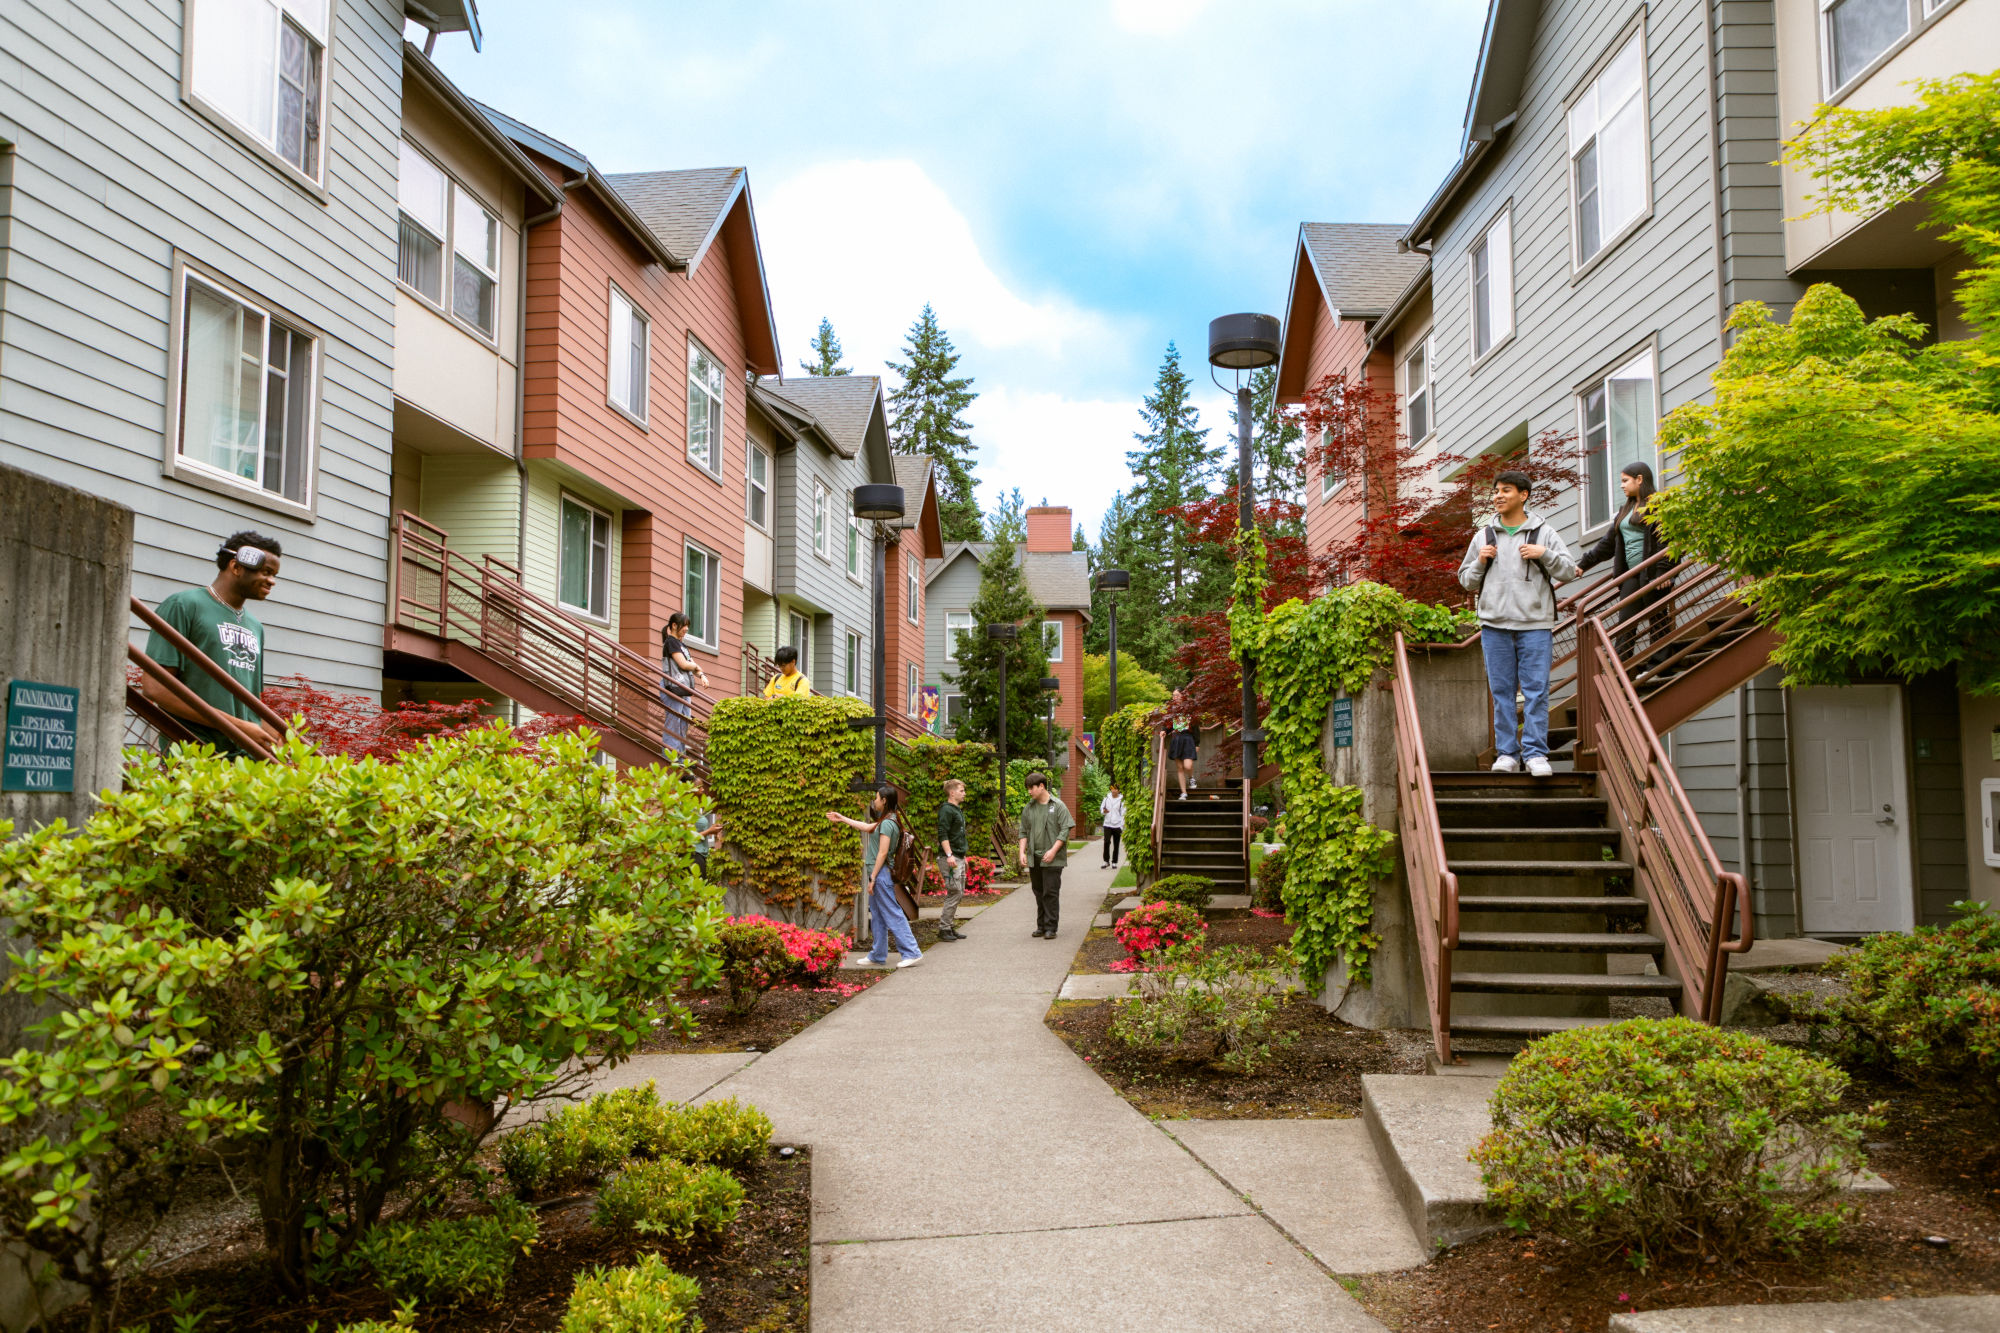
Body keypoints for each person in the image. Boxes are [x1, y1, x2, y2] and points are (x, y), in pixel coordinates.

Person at [1457, 470, 1579, 779]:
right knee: (1502, 693)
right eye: (1496, 491)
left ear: (1523, 495)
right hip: (1494, 625)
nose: (1497, 495)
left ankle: (1536, 754)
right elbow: (1465, 580)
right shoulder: (1483, 536)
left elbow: (1568, 571)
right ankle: (1507, 754)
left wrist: (1544, 554)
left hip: (1535, 625)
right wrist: (1480, 562)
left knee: (1537, 691)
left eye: (1505, 490)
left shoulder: (1543, 532)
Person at [141, 531, 287, 753]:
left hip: (244, 761)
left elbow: (251, 705)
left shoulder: (255, 626)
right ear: (236, 567)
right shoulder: (185, 606)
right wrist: (238, 726)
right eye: (266, 572)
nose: (272, 581)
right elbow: (155, 689)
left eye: (275, 574)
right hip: (194, 754)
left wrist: (280, 733)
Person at [1577, 461, 1672, 668]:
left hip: (1654, 573)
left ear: (1640, 479)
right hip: (1631, 574)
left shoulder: (1658, 505)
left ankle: (1660, 666)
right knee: (1626, 622)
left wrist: (1664, 573)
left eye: (1625, 480)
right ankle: (1621, 668)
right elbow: (1607, 545)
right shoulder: (1624, 510)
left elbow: (1667, 540)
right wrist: (1583, 565)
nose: (1621, 485)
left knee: (1657, 618)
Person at [827, 787, 923, 969]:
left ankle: (911, 952)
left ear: (884, 800)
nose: (874, 801)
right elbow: (865, 827)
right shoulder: (886, 821)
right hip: (879, 875)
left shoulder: (888, 823)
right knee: (878, 916)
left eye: (877, 798)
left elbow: (883, 852)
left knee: (893, 913)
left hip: (880, 875)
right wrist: (842, 818)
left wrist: (872, 878)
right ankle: (878, 955)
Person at [1018, 771, 1073, 939]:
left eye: (1031, 788)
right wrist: (1022, 852)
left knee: (1050, 893)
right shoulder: (1029, 807)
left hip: (1053, 859)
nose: (1029, 792)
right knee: (1038, 892)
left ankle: (1051, 928)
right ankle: (1041, 926)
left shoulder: (1058, 806)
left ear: (1041, 786)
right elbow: (1023, 831)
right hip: (1035, 858)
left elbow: (1065, 830)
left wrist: (1053, 851)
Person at [660, 613, 709, 755]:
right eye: (684, 625)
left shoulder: (681, 645)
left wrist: (701, 675)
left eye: (688, 625)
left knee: (684, 723)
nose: (687, 629)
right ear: (674, 625)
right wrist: (695, 667)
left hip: (683, 688)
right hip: (672, 686)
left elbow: (691, 664)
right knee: (674, 723)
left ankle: (680, 757)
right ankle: (670, 757)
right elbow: (683, 664)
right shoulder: (671, 642)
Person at [934, 778, 970, 942]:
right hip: (950, 858)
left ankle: (948, 926)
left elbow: (958, 835)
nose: (964, 794)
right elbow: (943, 834)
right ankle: (944, 928)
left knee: (958, 892)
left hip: (958, 857)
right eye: (962, 791)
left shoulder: (956, 809)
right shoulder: (946, 810)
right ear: (952, 792)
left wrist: (963, 857)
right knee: (954, 891)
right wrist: (949, 855)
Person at [1166, 694, 1199, 799]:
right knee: (1180, 768)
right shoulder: (1171, 710)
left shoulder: (1189, 709)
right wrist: (1163, 731)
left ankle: (1191, 777)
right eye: (1173, 695)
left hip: (1188, 738)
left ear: (1183, 695)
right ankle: (1183, 792)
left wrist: (1197, 743)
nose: (1175, 697)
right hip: (1176, 738)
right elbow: (1167, 724)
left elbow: (1196, 726)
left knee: (1187, 766)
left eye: (1177, 695)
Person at [1100, 782, 1125, 869]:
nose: (1113, 790)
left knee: (1116, 844)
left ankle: (1114, 862)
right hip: (1107, 824)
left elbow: (1123, 814)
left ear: (1118, 791)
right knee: (1106, 842)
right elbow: (1101, 809)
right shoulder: (1106, 798)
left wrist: (1121, 826)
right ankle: (1106, 861)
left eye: (1115, 789)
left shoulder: (1122, 800)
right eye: (1112, 789)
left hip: (1117, 825)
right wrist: (1104, 811)